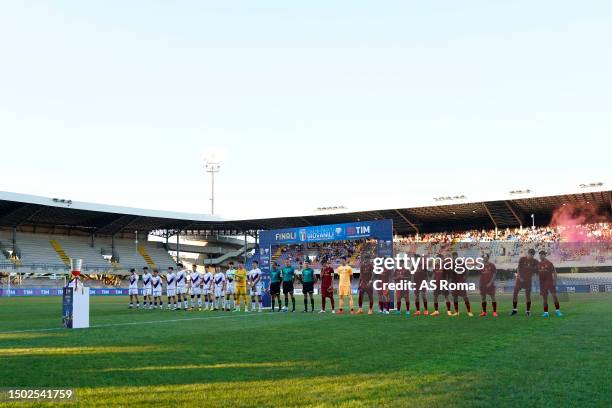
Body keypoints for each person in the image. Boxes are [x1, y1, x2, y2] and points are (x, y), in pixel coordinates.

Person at [511, 248, 538, 316]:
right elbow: (518, 269)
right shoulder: (522, 259)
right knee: (515, 293)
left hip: (528, 281)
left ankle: (528, 311)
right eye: (530, 254)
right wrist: (519, 277)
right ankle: (514, 310)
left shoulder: (535, 261)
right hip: (520, 280)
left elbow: (538, 269)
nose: (531, 256)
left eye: (532, 255)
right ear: (528, 253)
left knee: (528, 296)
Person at [537, 251, 563, 317]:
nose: (540, 257)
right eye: (539, 255)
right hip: (542, 284)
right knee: (544, 298)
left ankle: (558, 311)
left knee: (554, 296)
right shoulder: (538, 264)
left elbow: (554, 272)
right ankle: (546, 313)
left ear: (544, 255)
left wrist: (555, 281)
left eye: (541, 255)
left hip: (550, 282)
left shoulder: (549, 263)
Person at [451, 252, 473, 317]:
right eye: (453, 256)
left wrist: (465, 278)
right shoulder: (451, 264)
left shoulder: (461, 262)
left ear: (457, 256)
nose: (454, 257)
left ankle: (469, 311)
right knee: (455, 297)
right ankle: (456, 312)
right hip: (454, 283)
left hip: (461, 282)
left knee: (465, 297)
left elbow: (467, 270)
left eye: (455, 256)